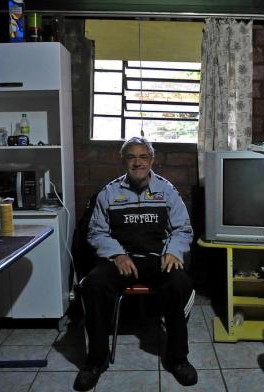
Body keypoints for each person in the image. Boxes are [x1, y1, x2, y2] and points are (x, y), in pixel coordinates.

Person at [73, 137, 197, 391]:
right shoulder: (109, 192)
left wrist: (174, 251)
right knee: (93, 285)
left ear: (151, 160)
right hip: (121, 260)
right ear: (123, 161)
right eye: (131, 157)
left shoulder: (167, 191)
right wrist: (117, 255)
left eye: (143, 157)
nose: (137, 162)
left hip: (157, 260)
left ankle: (178, 359)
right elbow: (96, 232)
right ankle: (95, 361)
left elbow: (183, 228)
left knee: (179, 283)